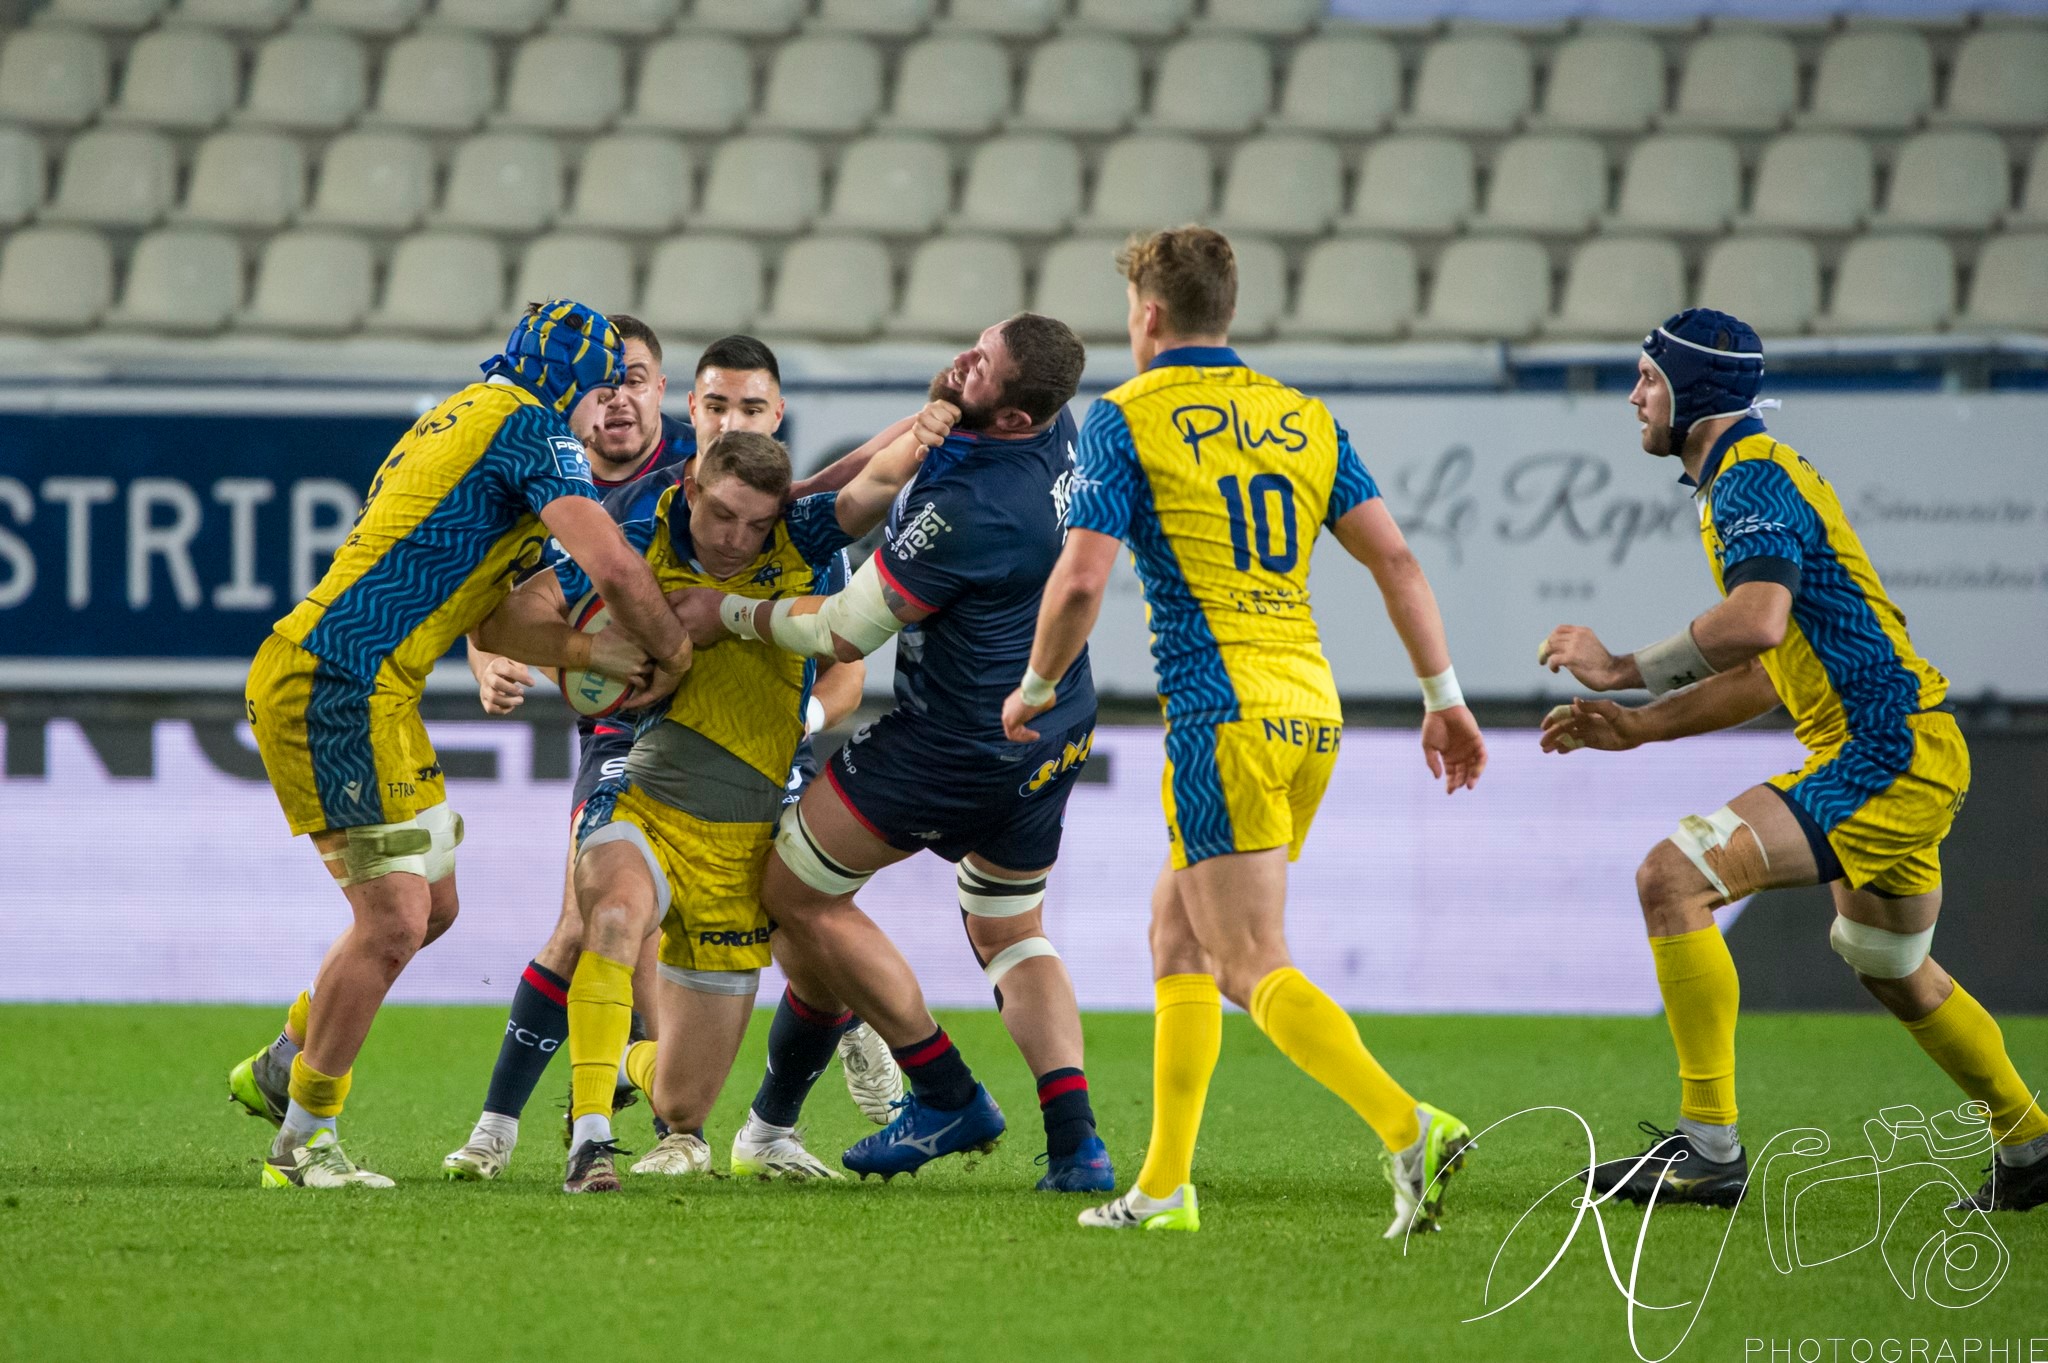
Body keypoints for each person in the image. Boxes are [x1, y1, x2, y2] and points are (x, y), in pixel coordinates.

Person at [1001, 227, 1488, 1236]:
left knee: (1246, 958)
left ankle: (1408, 1126)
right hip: (1308, 704)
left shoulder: (1124, 417)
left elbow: (1083, 575)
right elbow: (1395, 563)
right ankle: (1165, 1185)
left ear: (1145, 315)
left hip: (1219, 711)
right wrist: (1443, 696)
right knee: (1174, 929)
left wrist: (1037, 682)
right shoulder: (1302, 415)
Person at [1537, 308, 2048, 1212]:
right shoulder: (1748, 479)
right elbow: (1767, 672)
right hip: (1907, 744)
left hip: (1883, 747)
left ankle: (1709, 1147)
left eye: (1648, 378)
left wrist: (1619, 667)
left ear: (1693, 389)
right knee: (1887, 961)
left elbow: (1756, 623)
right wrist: (1640, 723)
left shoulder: (1748, 477)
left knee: (1671, 878)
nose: (1634, 395)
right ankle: (2032, 1142)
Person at [231, 300, 690, 1189]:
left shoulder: (461, 415)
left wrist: (591, 650)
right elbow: (618, 570)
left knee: (431, 910)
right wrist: (671, 657)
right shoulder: (536, 431)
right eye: (607, 391)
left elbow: (497, 616)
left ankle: (291, 1056)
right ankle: (303, 1144)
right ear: (582, 391)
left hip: (371, 689)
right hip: (338, 683)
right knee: (395, 920)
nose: (610, 414)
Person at [435, 331, 900, 1182]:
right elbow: (502, 611)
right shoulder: (609, 507)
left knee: (808, 915)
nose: (730, 419)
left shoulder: (780, 516)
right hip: (627, 751)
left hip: (758, 754)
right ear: (691, 410)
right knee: (599, 917)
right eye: (717, 404)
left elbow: (848, 659)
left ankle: (764, 1110)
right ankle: (526, 1129)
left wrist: (801, 711)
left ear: (776, 414)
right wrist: (556, 660)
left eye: (750, 407)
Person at [673, 313, 1115, 1190]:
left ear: (1017, 414)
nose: (963, 361)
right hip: (1054, 725)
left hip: (953, 742)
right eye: (977, 343)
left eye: (981, 365)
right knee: (1011, 928)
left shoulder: (972, 511)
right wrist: (920, 424)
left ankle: (942, 1086)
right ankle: (1077, 1145)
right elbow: (909, 449)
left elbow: (842, 633)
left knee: (792, 887)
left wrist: (724, 616)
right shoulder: (1060, 426)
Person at [515, 414, 952, 1193]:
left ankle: (619, 1052)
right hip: (647, 791)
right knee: (611, 915)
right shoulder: (631, 533)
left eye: (756, 523)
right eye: (720, 514)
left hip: (743, 844)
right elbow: (507, 614)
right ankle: (590, 1142)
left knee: (681, 1103)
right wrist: (590, 651)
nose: (735, 539)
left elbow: (876, 484)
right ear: (689, 487)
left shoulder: (802, 537)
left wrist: (931, 426)